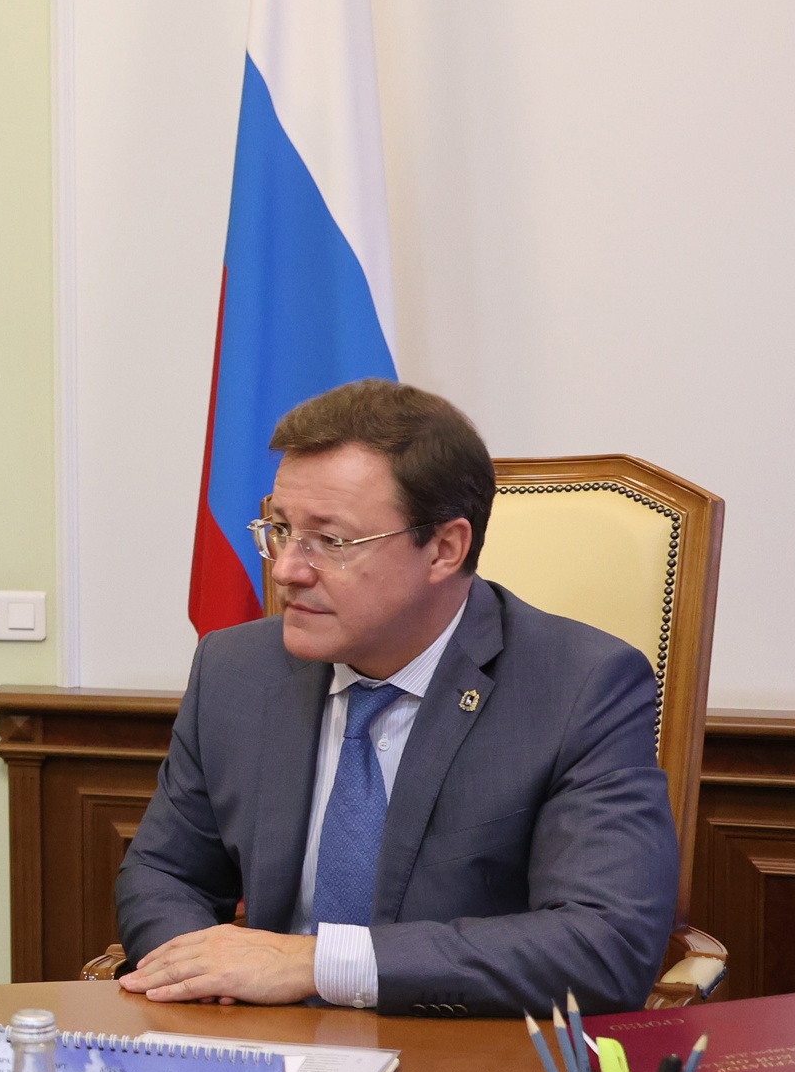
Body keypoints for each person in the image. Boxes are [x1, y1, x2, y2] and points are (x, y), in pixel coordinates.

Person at [115, 380, 677, 1018]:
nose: (286, 569)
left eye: (330, 541)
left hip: (460, 1051)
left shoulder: (579, 685)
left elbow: (604, 944)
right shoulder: (236, 669)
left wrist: (313, 964)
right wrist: (201, 973)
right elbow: (163, 875)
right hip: (258, 1041)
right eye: (281, 529)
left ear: (444, 549)